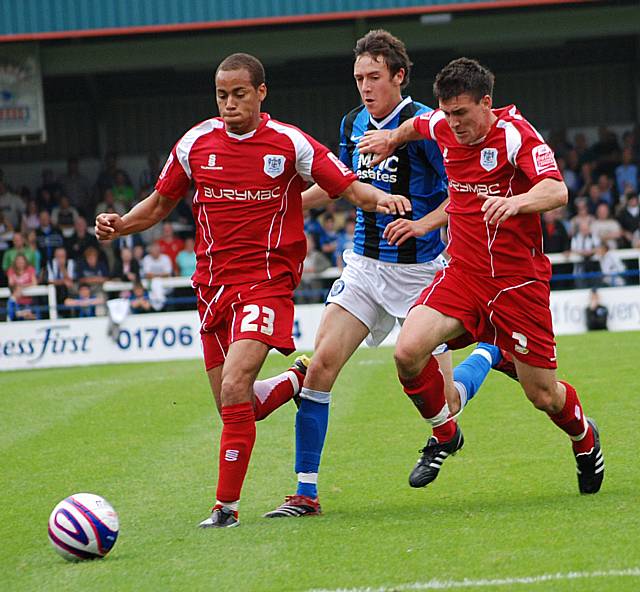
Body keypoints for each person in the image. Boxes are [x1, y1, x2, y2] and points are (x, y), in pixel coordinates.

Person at [95, 52, 410, 529]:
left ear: (261, 93)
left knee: (236, 384)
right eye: (222, 95)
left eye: (239, 94)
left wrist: (381, 198)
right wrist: (121, 226)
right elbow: (161, 202)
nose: (229, 104)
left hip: (266, 284)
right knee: (236, 406)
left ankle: (224, 509)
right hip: (212, 288)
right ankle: (296, 379)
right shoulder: (195, 143)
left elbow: (345, 186)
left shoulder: (288, 143)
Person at [265, 32, 511, 519]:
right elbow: (341, 183)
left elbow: (461, 195)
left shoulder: (428, 126)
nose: (364, 87)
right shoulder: (353, 122)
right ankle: (304, 494)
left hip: (421, 274)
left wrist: (420, 223)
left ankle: (485, 354)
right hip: (363, 267)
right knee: (319, 369)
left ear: (399, 76)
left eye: (374, 77)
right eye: (358, 78)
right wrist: (281, 201)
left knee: (447, 402)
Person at [358, 57, 604, 496]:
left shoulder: (514, 134)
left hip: (517, 282)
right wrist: (392, 138)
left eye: (462, 114)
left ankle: (584, 438)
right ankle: (445, 434)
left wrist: (518, 202)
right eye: (448, 113)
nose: (453, 125)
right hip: (464, 275)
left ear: (486, 103)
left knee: (544, 396)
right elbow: (420, 126)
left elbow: (557, 190)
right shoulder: (440, 124)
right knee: (407, 352)